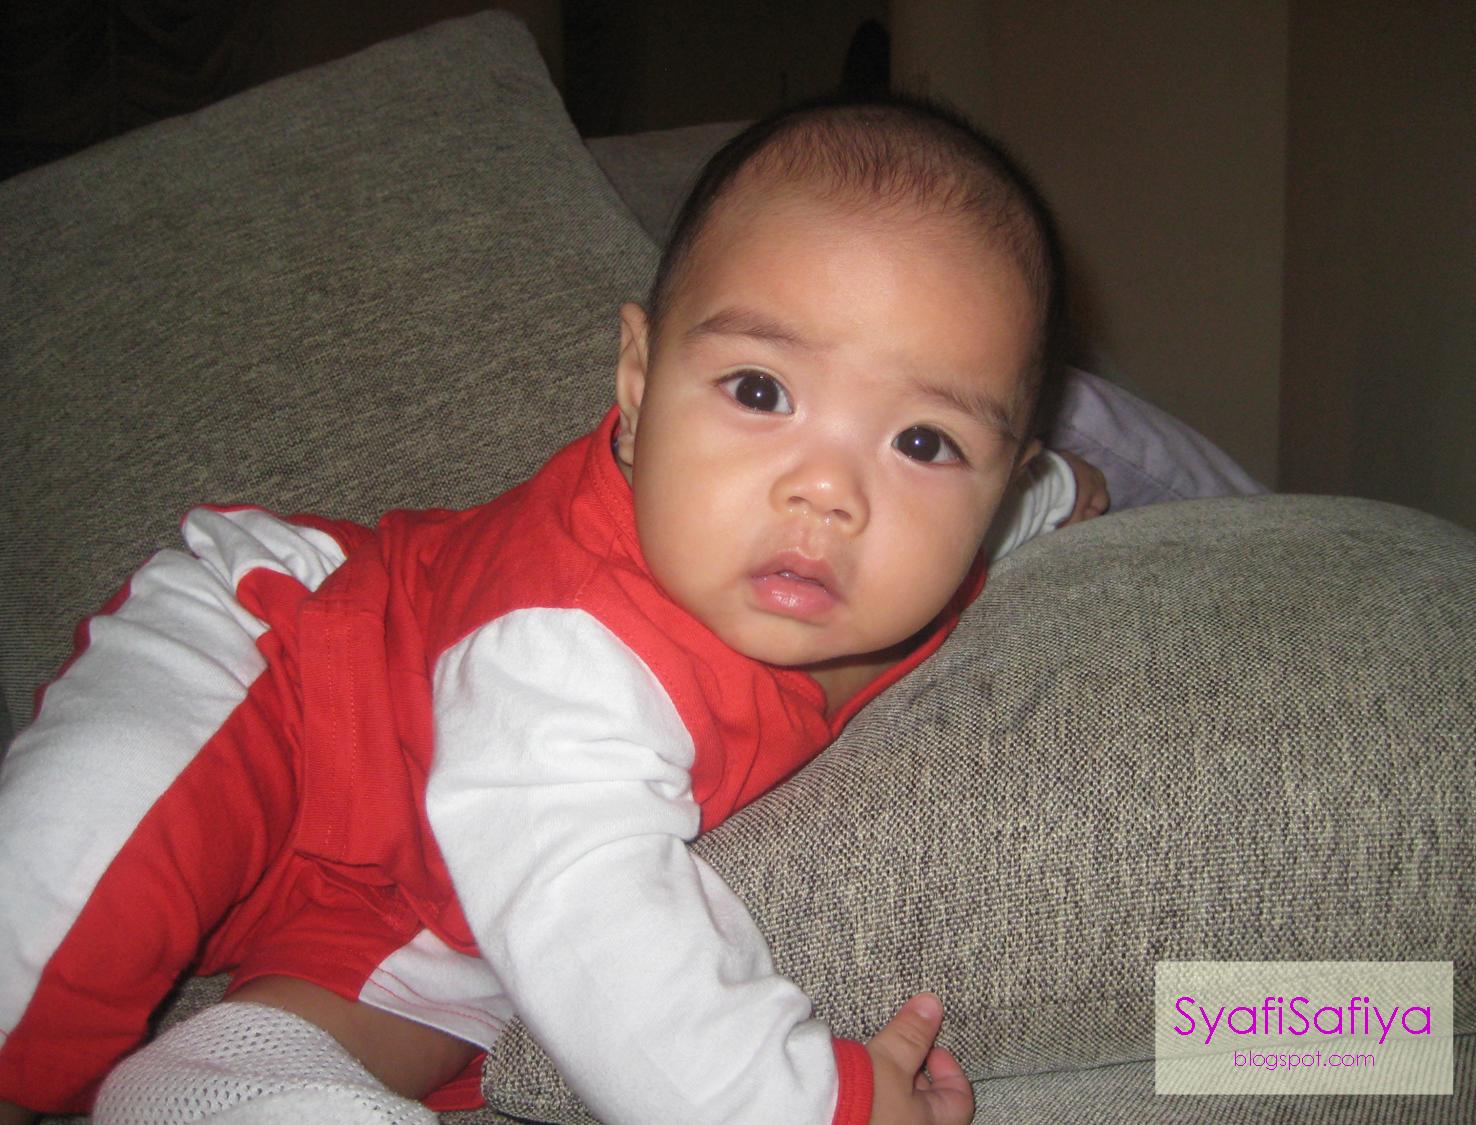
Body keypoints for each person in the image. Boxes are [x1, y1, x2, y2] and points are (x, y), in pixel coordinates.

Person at [0, 93, 1109, 1125]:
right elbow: (597, 915)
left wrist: (1069, 493)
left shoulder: (952, 545)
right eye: (759, 391)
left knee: (235, 1087)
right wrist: (811, 1103)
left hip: (428, 914)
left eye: (921, 441)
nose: (827, 490)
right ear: (637, 384)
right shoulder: (570, 641)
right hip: (292, 682)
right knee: (48, 938)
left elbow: (1019, 501)